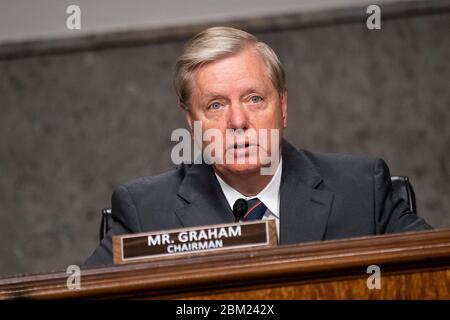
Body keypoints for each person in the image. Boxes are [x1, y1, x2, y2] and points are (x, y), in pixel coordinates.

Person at [85, 27, 431, 266]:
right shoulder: (146, 211)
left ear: (282, 107)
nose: (238, 122)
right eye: (216, 105)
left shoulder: (361, 190)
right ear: (191, 121)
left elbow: (435, 269)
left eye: (254, 99)